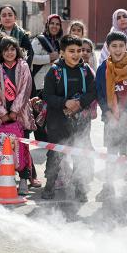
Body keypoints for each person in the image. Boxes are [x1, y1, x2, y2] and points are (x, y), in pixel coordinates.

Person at [39, 35, 96, 203]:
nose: (76, 54)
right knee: (55, 154)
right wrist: (65, 103)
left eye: (79, 51)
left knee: (81, 156)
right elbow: (47, 95)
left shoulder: (86, 71)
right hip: (57, 121)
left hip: (82, 122)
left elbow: (93, 92)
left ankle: (80, 189)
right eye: (71, 51)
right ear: (62, 53)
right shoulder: (54, 71)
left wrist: (80, 103)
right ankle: (49, 186)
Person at [95, 31, 127, 210]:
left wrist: (126, 115)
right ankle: (108, 188)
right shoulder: (103, 68)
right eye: (114, 46)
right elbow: (100, 94)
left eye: (121, 46)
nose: (118, 49)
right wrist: (108, 113)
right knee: (111, 154)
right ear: (108, 48)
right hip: (111, 120)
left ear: (126, 47)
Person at [0, 35, 35, 193]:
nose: (9, 52)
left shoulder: (23, 66)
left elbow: (26, 90)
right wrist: (3, 113)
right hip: (0, 116)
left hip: (21, 115)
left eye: (12, 49)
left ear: (17, 50)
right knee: (0, 146)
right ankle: (2, 178)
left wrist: (14, 111)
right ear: (0, 52)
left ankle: (24, 180)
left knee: (22, 148)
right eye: (5, 50)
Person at [31, 13, 64, 83]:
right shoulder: (39, 39)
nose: (55, 26)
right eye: (52, 23)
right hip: (39, 83)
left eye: (57, 24)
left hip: (53, 81)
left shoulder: (57, 43)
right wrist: (49, 58)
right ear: (47, 25)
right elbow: (31, 58)